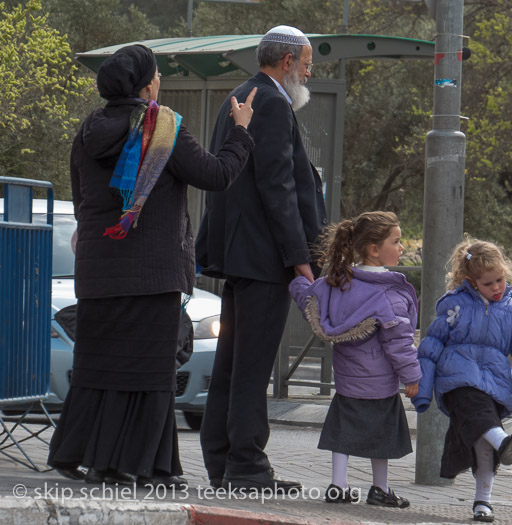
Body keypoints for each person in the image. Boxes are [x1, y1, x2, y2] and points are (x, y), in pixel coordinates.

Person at [47, 44, 255, 488]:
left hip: (100, 272)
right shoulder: (163, 128)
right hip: (151, 273)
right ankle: (141, 466)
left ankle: (83, 455)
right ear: (146, 85)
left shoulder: (87, 131)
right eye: (156, 74)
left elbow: (83, 198)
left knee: (100, 369)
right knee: (150, 373)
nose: (159, 80)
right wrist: (240, 131)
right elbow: (217, 175)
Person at [195, 25, 327, 492]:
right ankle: (247, 467)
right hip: (264, 259)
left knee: (233, 364)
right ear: (287, 62)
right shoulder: (270, 102)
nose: (311, 71)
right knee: (251, 367)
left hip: (240, 257)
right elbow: (279, 186)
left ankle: (224, 463)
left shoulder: (242, 93)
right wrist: (300, 257)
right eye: (307, 62)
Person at [288, 211, 420, 508]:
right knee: (382, 437)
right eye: (396, 242)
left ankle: (338, 485)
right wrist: (412, 376)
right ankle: (380, 489)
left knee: (342, 433)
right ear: (374, 250)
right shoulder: (388, 293)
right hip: (380, 382)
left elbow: (308, 297)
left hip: (347, 380)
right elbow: (399, 342)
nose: (401, 248)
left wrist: (296, 283)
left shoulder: (337, 283)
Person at [412, 238, 512, 523]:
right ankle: (505, 442)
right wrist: (422, 388)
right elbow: (431, 346)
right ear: (471, 281)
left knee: (481, 443)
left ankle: (483, 503)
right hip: (458, 379)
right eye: (489, 284)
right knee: (479, 418)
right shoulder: (454, 305)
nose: (497, 287)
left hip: (495, 382)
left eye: (500, 280)